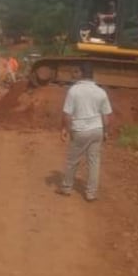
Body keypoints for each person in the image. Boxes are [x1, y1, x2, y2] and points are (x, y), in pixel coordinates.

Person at [57, 62, 112, 202]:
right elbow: (106, 116)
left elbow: (67, 114)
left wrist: (65, 129)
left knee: (72, 161)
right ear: (92, 75)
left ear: (81, 73)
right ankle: (91, 193)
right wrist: (106, 131)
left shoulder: (74, 90)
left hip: (80, 130)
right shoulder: (101, 92)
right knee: (94, 162)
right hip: (97, 130)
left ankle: (66, 188)